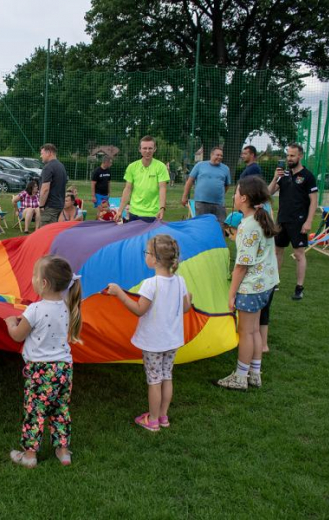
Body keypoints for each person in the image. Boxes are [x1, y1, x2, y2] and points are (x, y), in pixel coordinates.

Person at [107, 235, 191, 431]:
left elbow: (139, 310)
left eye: (146, 253)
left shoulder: (150, 284)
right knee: (167, 376)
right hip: (172, 341)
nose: (145, 256)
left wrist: (119, 293)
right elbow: (186, 308)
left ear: (154, 259)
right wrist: (189, 299)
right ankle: (163, 416)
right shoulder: (180, 281)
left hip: (154, 342)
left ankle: (152, 420)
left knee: (154, 380)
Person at [4, 255, 82, 468]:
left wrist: (11, 323)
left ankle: (29, 456)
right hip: (64, 369)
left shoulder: (35, 310)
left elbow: (18, 335)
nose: (32, 279)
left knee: (35, 411)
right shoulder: (67, 306)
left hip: (40, 370)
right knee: (60, 409)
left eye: (34, 275)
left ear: (44, 283)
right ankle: (63, 452)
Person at [217, 176, 280, 390]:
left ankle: (240, 377)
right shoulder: (262, 218)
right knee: (254, 331)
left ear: (243, 198)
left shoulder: (248, 226)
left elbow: (241, 266)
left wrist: (231, 294)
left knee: (245, 332)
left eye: (236, 192)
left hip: (251, 287)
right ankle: (254, 374)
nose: (233, 196)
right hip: (266, 285)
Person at [268, 143, 317, 300]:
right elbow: (268, 193)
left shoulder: (308, 176)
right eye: (288, 155)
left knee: (298, 254)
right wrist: (275, 177)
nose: (289, 158)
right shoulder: (283, 175)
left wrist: (309, 221)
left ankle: (299, 287)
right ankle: (274, 282)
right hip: (282, 219)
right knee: (277, 251)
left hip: (299, 221)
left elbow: (314, 201)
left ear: (300, 156)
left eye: (292, 155)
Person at [116, 136, 169, 223]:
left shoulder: (161, 167)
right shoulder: (132, 167)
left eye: (150, 148)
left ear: (154, 149)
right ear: (139, 149)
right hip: (134, 213)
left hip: (153, 214)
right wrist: (120, 210)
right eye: (144, 148)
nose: (147, 151)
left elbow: (162, 188)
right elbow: (127, 189)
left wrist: (162, 208)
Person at [181, 147, 231, 226]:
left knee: (220, 226)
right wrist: (184, 196)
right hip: (201, 203)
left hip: (219, 204)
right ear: (211, 155)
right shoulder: (200, 165)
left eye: (221, 155)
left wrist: (219, 194)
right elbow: (189, 181)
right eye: (217, 155)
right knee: (202, 226)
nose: (220, 157)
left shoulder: (225, 169)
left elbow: (227, 185)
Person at [38, 143, 68, 227]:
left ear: (49, 153)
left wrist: (41, 205)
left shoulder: (48, 167)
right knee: (54, 231)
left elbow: (45, 189)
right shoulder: (61, 166)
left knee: (46, 232)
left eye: (42, 153)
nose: (41, 156)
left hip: (50, 206)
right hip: (59, 205)